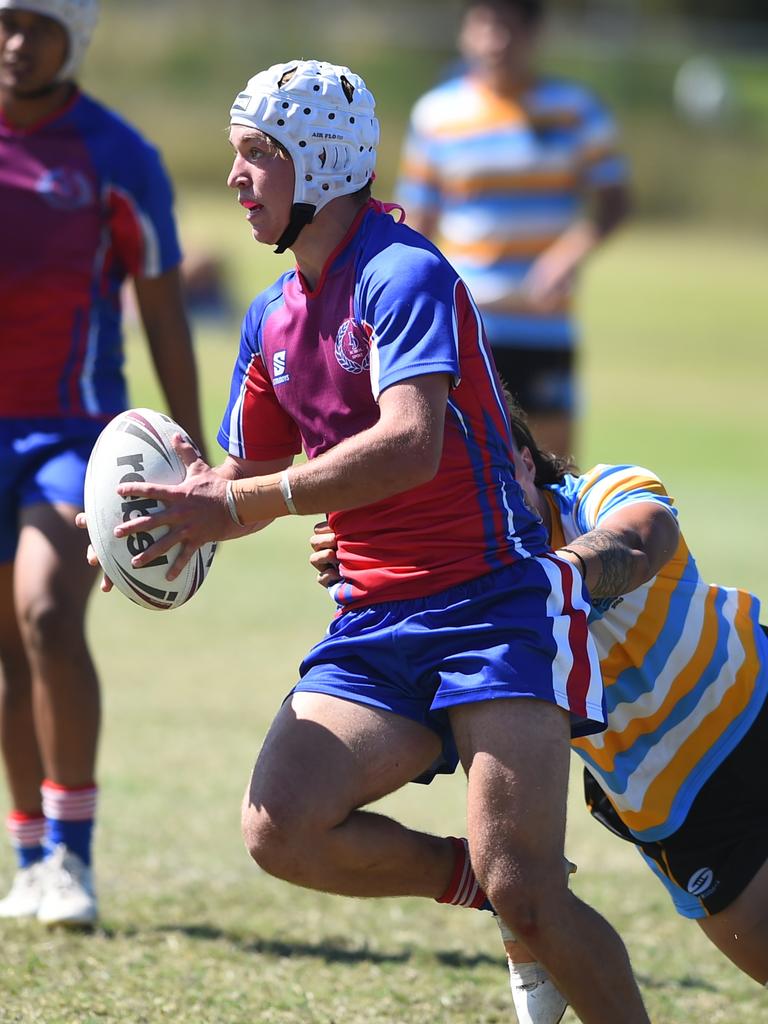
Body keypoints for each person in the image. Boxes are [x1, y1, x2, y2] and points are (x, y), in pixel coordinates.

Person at [91, 58, 651, 1022]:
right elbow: (239, 473)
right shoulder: (271, 318)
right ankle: (491, 891)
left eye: (255, 157)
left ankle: (524, 902)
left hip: (493, 604)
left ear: (318, 161)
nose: (234, 180)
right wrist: (140, 514)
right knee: (282, 830)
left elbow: (409, 446)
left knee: (535, 887)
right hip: (375, 620)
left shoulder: (403, 272)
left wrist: (246, 504)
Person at [311, 404, 768, 1022]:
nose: (475, 508)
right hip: (683, 810)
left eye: (486, 480)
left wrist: (545, 580)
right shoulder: (465, 604)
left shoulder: (600, 494)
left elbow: (639, 540)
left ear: (526, 462)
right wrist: (381, 571)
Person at [0, 0, 205, 926]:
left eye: (35, 25)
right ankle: (32, 856)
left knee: (46, 611)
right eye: (2, 21)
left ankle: (73, 861)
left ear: (74, 37)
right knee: (6, 651)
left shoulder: (116, 157)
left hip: (72, 433)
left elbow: (164, 311)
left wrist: (205, 472)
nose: (13, 42)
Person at [396, 0, 630, 458]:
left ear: (534, 34)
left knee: (552, 469)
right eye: (483, 26)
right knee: (461, 467)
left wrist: (569, 255)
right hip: (466, 323)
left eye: (508, 27)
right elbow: (418, 223)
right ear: (465, 32)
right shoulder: (436, 115)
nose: (494, 41)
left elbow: (615, 201)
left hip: (543, 323)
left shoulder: (575, 110)